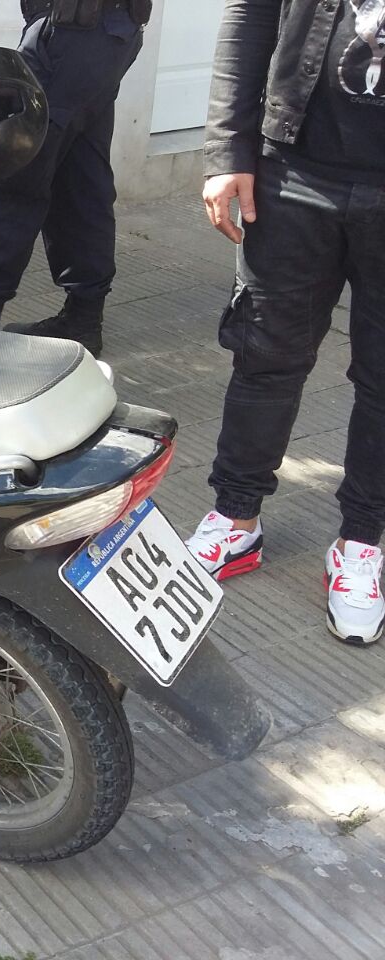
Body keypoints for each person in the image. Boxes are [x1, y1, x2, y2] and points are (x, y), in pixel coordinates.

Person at [183, 0, 385, 646]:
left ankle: (361, 541)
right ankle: (235, 518)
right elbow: (249, 16)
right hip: (296, 170)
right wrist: (226, 150)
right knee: (265, 353)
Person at [0, 0, 152, 356]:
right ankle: (84, 318)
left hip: (71, 30)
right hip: (114, 32)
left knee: (11, 165)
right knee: (80, 175)